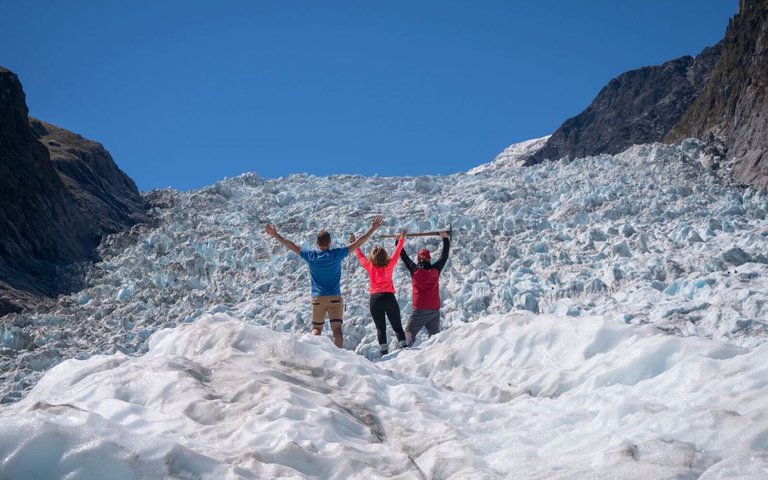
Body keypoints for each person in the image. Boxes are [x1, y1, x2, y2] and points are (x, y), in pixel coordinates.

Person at [264, 215, 382, 348]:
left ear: (317, 243)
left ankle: (313, 354)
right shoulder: (337, 254)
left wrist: (275, 234)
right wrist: (373, 229)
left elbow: (290, 245)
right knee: (337, 330)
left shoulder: (311, 256)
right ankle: (339, 358)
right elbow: (358, 242)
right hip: (335, 298)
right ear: (330, 242)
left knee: (317, 329)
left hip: (318, 298)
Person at [350, 229, 408, 356]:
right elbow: (397, 252)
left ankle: (383, 352)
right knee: (397, 325)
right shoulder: (390, 264)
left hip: (375, 299)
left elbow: (359, 255)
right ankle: (404, 347)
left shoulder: (369, 265)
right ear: (384, 255)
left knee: (380, 328)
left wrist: (355, 243)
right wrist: (401, 238)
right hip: (389, 298)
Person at [399, 231, 450, 347]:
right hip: (434, 310)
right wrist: (445, 239)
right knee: (435, 337)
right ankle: (436, 355)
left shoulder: (415, 269)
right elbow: (444, 256)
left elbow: (404, 257)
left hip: (420, 310)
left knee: (408, 333)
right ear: (429, 259)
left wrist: (399, 241)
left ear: (418, 259)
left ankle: (404, 354)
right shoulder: (435, 270)